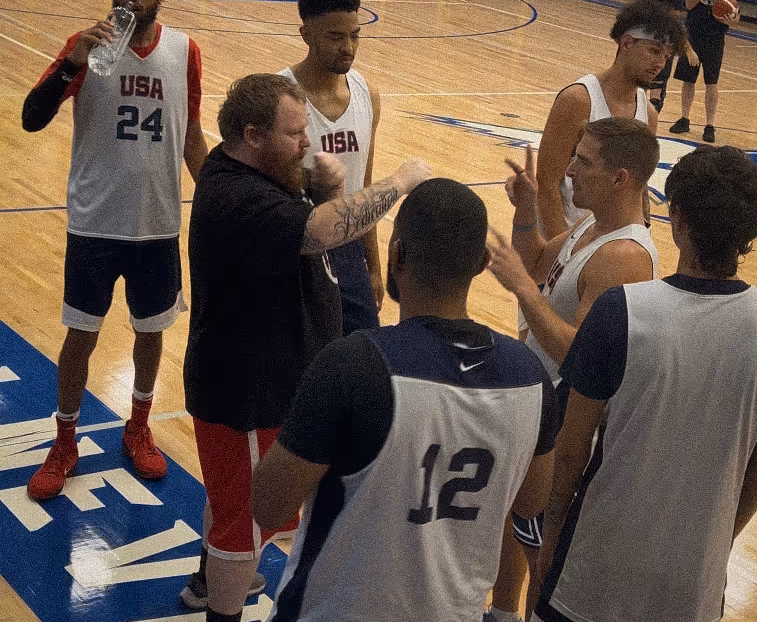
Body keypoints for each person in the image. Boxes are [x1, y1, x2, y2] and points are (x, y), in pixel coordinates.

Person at [181, 74, 430, 622]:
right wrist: (398, 182)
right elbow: (320, 231)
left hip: (270, 378)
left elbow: (318, 231)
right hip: (241, 388)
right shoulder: (235, 194)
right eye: (295, 134)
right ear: (251, 135)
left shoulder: (265, 175)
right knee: (243, 516)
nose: (306, 146)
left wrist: (329, 190)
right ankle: (221, 610)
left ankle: (207, 581)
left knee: (239, 503)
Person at [250, 178, 558, 622]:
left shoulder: (353, 365)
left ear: (396, 255)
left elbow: (268, 507)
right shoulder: (530, 376)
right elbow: (530, 503)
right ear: (482, 264)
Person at [535, 144, 757, 622]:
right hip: (693, 585)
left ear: (676, 218)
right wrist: (719, 538)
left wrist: (548, 553)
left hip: (594, 572)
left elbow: (570, 455)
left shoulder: (622, 311)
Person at [22, 0, 208, 501]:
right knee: (81, 335)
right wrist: (72, 63)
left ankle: (139, 425)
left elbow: (191, 134)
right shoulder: (88, 48)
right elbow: (32, 118)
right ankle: (64, 441)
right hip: (95, 223)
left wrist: (222, 196)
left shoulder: (184, 51)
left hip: (156, 225)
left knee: (151, 336)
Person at [486, 117, 660, 622]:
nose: (567, 172)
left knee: (543, 540)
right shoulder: (591, 224)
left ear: (620, 178)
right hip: (545, 401)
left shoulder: (623, 256)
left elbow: (578, 354)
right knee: (518, 514)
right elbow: (541, 264)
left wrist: (521, 290)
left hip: (569, 411)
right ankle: (501, 612)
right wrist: (524, 216)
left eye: (583, 162)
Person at [279, 0, 383, 334]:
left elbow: (364, 186)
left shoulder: (367, 94)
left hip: (350, 251)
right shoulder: (279, 96)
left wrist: (373, 266)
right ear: (306, 33)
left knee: (361, 360)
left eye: (355, 35)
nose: (349, 47)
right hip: (297, 251)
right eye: (335, 37)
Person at [536, 0, 685, 240]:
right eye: (654, 51)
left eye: (667, 56)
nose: (660, 64)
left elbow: (638, 189)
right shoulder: (578, 99)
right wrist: (561, 254)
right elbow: (547, 184)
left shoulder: (648, 114)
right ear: (626, 42)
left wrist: (640, 237)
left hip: (609, 247)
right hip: (565, 238)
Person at [670, 0, 740, 143]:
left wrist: (732, 21)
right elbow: (689, 4)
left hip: (715, 39)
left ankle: (710, 125)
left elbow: (736, 18)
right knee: (688, 81)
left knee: (712, 83)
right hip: (694, 37)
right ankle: (684, 118)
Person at [639, 0, 699, 113]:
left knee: (638, 93)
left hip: (642, 47)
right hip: (662, 50)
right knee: (655, 100)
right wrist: (689, 49)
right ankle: (646, 134)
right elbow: (676, 26)